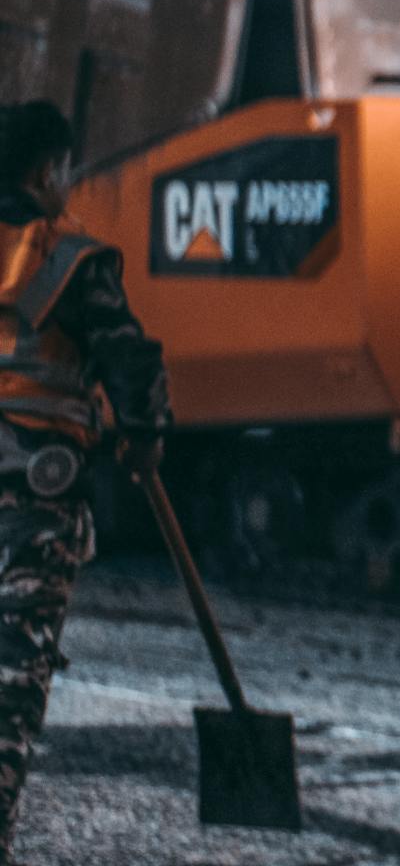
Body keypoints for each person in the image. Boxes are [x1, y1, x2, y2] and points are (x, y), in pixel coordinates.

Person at [0, 101, 168, 861]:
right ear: (44, 172)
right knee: (12, 675)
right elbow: (129, 360)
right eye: (65, 170)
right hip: (33, 501)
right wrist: (144, 438)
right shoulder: (68, 259)